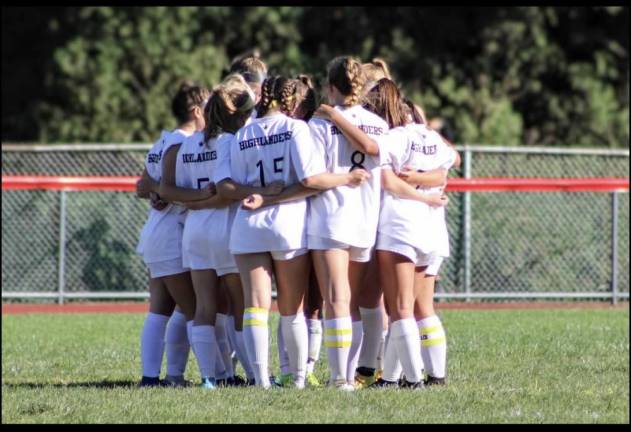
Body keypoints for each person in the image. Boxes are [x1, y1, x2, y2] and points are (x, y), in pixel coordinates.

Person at [216, 75, 370, 389]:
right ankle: (298, 378)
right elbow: (311, 180)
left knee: (255, 305)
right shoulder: (295, 128)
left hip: (248, 224)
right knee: (292, 306)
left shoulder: (242, 132)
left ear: (262, 97)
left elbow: (225, 185)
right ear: (291, 101)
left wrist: (256, 192)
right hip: (287, 224)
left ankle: (261, 381)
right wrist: (348, 178)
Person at [315, 78, 452, 389]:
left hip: (400, 224)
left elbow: (383, 170)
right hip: (432, 227)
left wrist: (420, 191)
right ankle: (419, 376)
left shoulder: (393, 136)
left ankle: (411, 379)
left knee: (399, 307)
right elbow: (449, 164)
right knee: (421, 307)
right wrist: (424, 184)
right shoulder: (430, 135)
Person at [135, 83, 212, 387]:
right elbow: (159, 189)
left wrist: (154, 191)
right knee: (194, 310)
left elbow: (145, 186)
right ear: (197, 111)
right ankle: (209, 376)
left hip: (158, 232)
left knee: (161, 309)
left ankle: (155, 378)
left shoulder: (162, 140)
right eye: (209, 106)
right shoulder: (181, 144)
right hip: (170, 235)